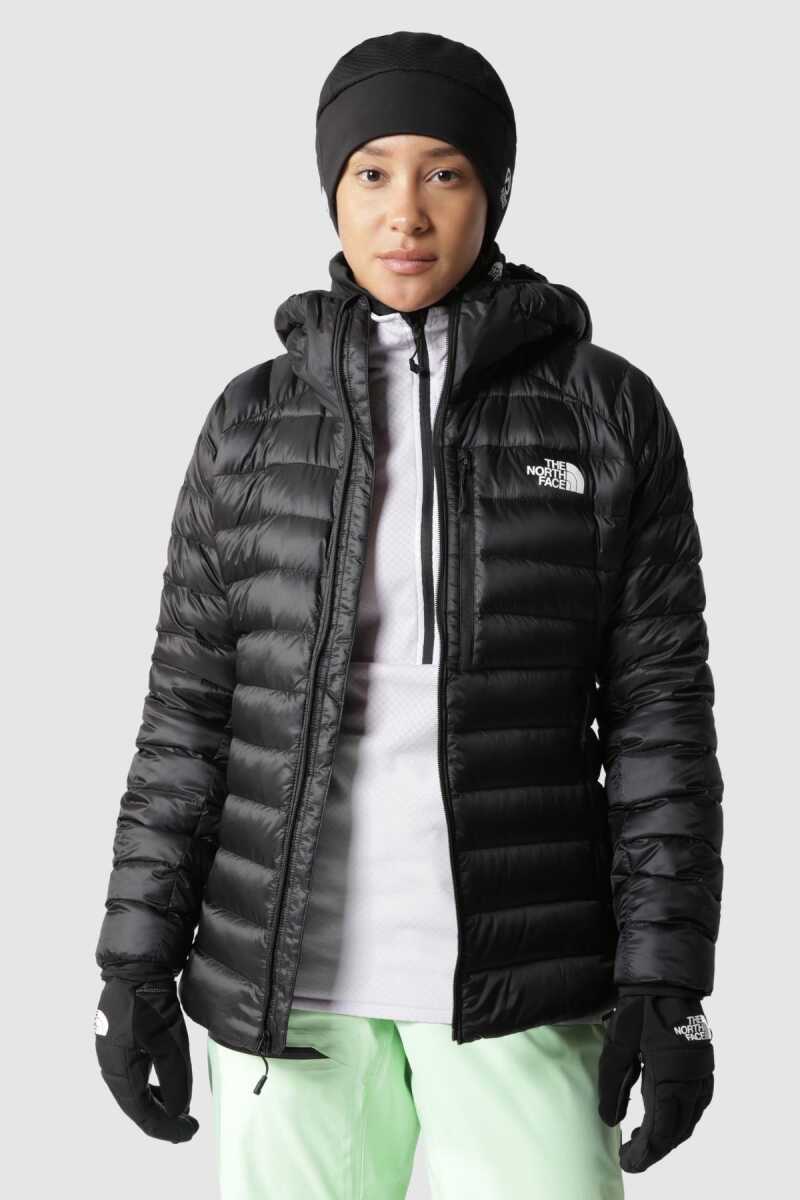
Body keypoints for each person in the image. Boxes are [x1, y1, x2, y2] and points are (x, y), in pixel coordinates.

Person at [93, 29, 723, 1199]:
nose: (405, 213)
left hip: (523, 986)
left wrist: (666, 979)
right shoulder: (249, 424)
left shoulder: (603, 414)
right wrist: (132, 962)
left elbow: (658, 721)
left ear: (493, 190)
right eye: (370, 172)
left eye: (444, 172)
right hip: (286, 999)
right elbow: (185, 715)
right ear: (331, 191)